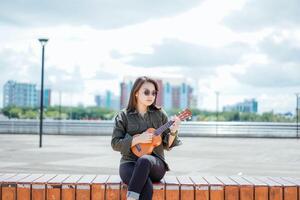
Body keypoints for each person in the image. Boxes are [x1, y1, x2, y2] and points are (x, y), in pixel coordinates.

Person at [111, 76, 182, 200]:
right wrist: (137, 140)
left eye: (154, 93)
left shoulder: (160, 114)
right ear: (136, 93)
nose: (151, 95)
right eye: (146, 92)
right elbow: (115, 143)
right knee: (146, 186)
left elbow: (167, 145)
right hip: (129, 163)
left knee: (144, 160)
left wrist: (174, 131)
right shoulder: (123, 116)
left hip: (155, 165)